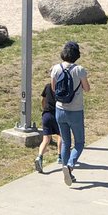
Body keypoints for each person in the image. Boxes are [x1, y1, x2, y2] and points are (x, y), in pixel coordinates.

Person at [51, 40, 90, 186]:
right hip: (75, 110)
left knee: (66, 142)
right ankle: (70, 166)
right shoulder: (80, 70)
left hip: (60, 109)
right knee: (79, 142)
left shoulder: (56, 68)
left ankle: (66, 170)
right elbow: (87, 88)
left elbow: (54, 88)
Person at [33, 80, 59, 173]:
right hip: (57, 114)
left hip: (46, 114)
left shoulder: (47, 86)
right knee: (61, 136)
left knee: (46, 139)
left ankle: (39, 157)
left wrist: (44, 109)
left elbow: (43, 100)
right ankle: (61, 157)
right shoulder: (61, 86)